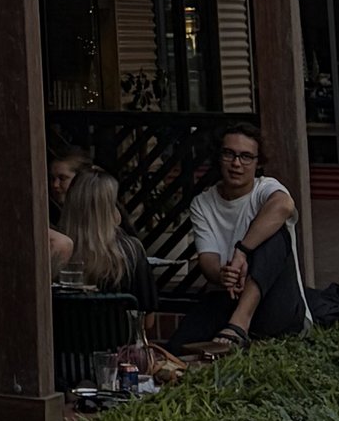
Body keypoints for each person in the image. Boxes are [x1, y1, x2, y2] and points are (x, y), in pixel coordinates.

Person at [177, 132, 308, 347]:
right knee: (178, 347)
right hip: (228, 297)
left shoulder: (265, 189)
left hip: (275, 303)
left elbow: (284, 206)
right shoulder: (203, 203)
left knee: (274, 232)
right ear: (219, 158)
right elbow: (208, 259)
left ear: (257, 163)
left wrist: (242, 252)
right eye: (229, 154)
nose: (236, 163)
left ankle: (240, 323)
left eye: (246, 157)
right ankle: (235, 324)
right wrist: (222, 275)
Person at [59, 165, 158, 323]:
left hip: (66, 347)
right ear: (109, 208)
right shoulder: (130, 251)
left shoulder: (57, 252)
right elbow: (148, 320)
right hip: (119, 346)